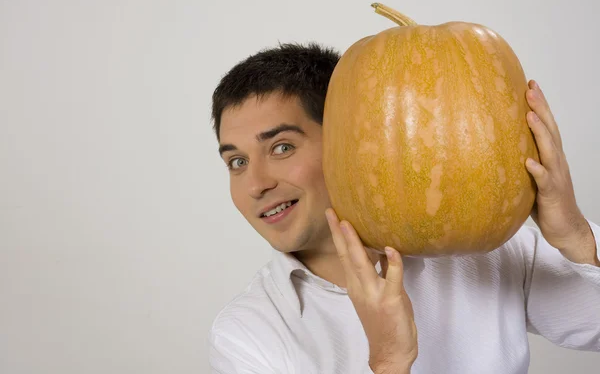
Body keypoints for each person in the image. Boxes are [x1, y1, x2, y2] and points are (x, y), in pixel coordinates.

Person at [207, 43, 600, 374]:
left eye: (281, 148)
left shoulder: (482, 246)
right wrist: (388, 361)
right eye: (236, 162)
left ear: (348, 141)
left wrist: (573, 235)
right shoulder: (245, 333)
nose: (256, 184)